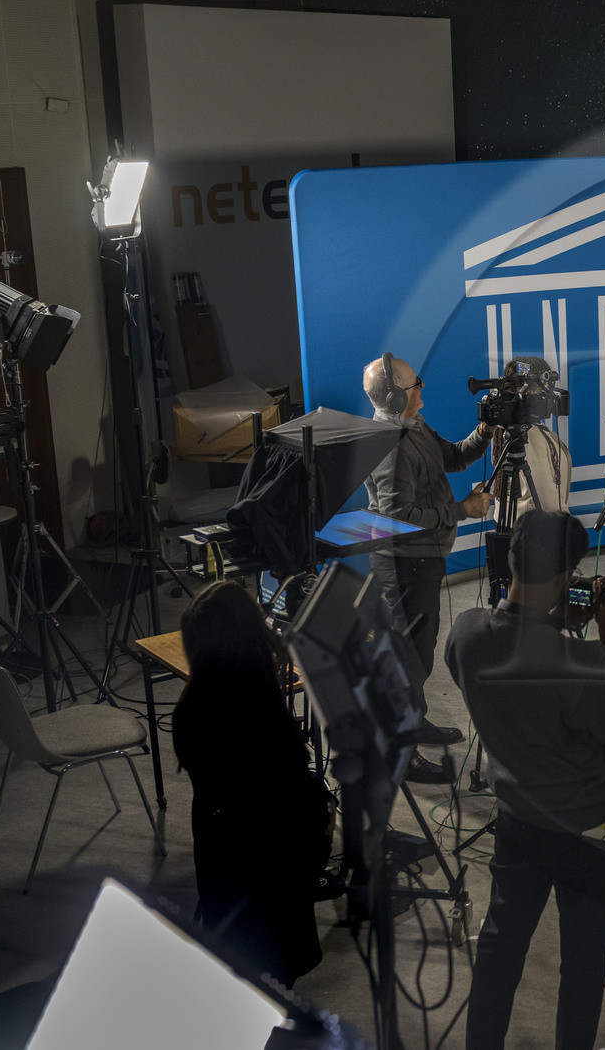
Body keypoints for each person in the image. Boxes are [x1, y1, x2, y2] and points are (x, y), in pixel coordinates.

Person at [445, 510, 605, 1050]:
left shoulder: (465, 634)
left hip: (518, 820)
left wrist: (551, 626)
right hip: (590, 827)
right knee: (583, 961)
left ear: (511, 560)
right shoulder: (582, 661)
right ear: (562, 580)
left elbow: (510, 656)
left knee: (501, 947)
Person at [172, 580, 332, 986]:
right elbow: (295, 804)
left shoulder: (192, 705)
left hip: (221, 854)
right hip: (269, 869)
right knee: (271, 981)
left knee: (237, 971)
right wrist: (324, 819)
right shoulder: (257, 713)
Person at [362, 352, 493, 782]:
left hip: (422, 561)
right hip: (404, 566)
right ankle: (402, 755)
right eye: (416, 383)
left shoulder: (411, 426)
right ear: (398, 396)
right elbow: (398, 519)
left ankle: (414, 722)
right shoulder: (391, 447)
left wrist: (485, 431)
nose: (423, 388)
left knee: (417, 654)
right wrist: (463, 509)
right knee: (406, 660)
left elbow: (452, 457)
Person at [487, 355, 572, 524]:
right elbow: (546, 496)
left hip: (512, 524)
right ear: (528, 390)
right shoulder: (528, 435)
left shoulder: (507, 427)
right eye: (545, 387)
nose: (549, 394)